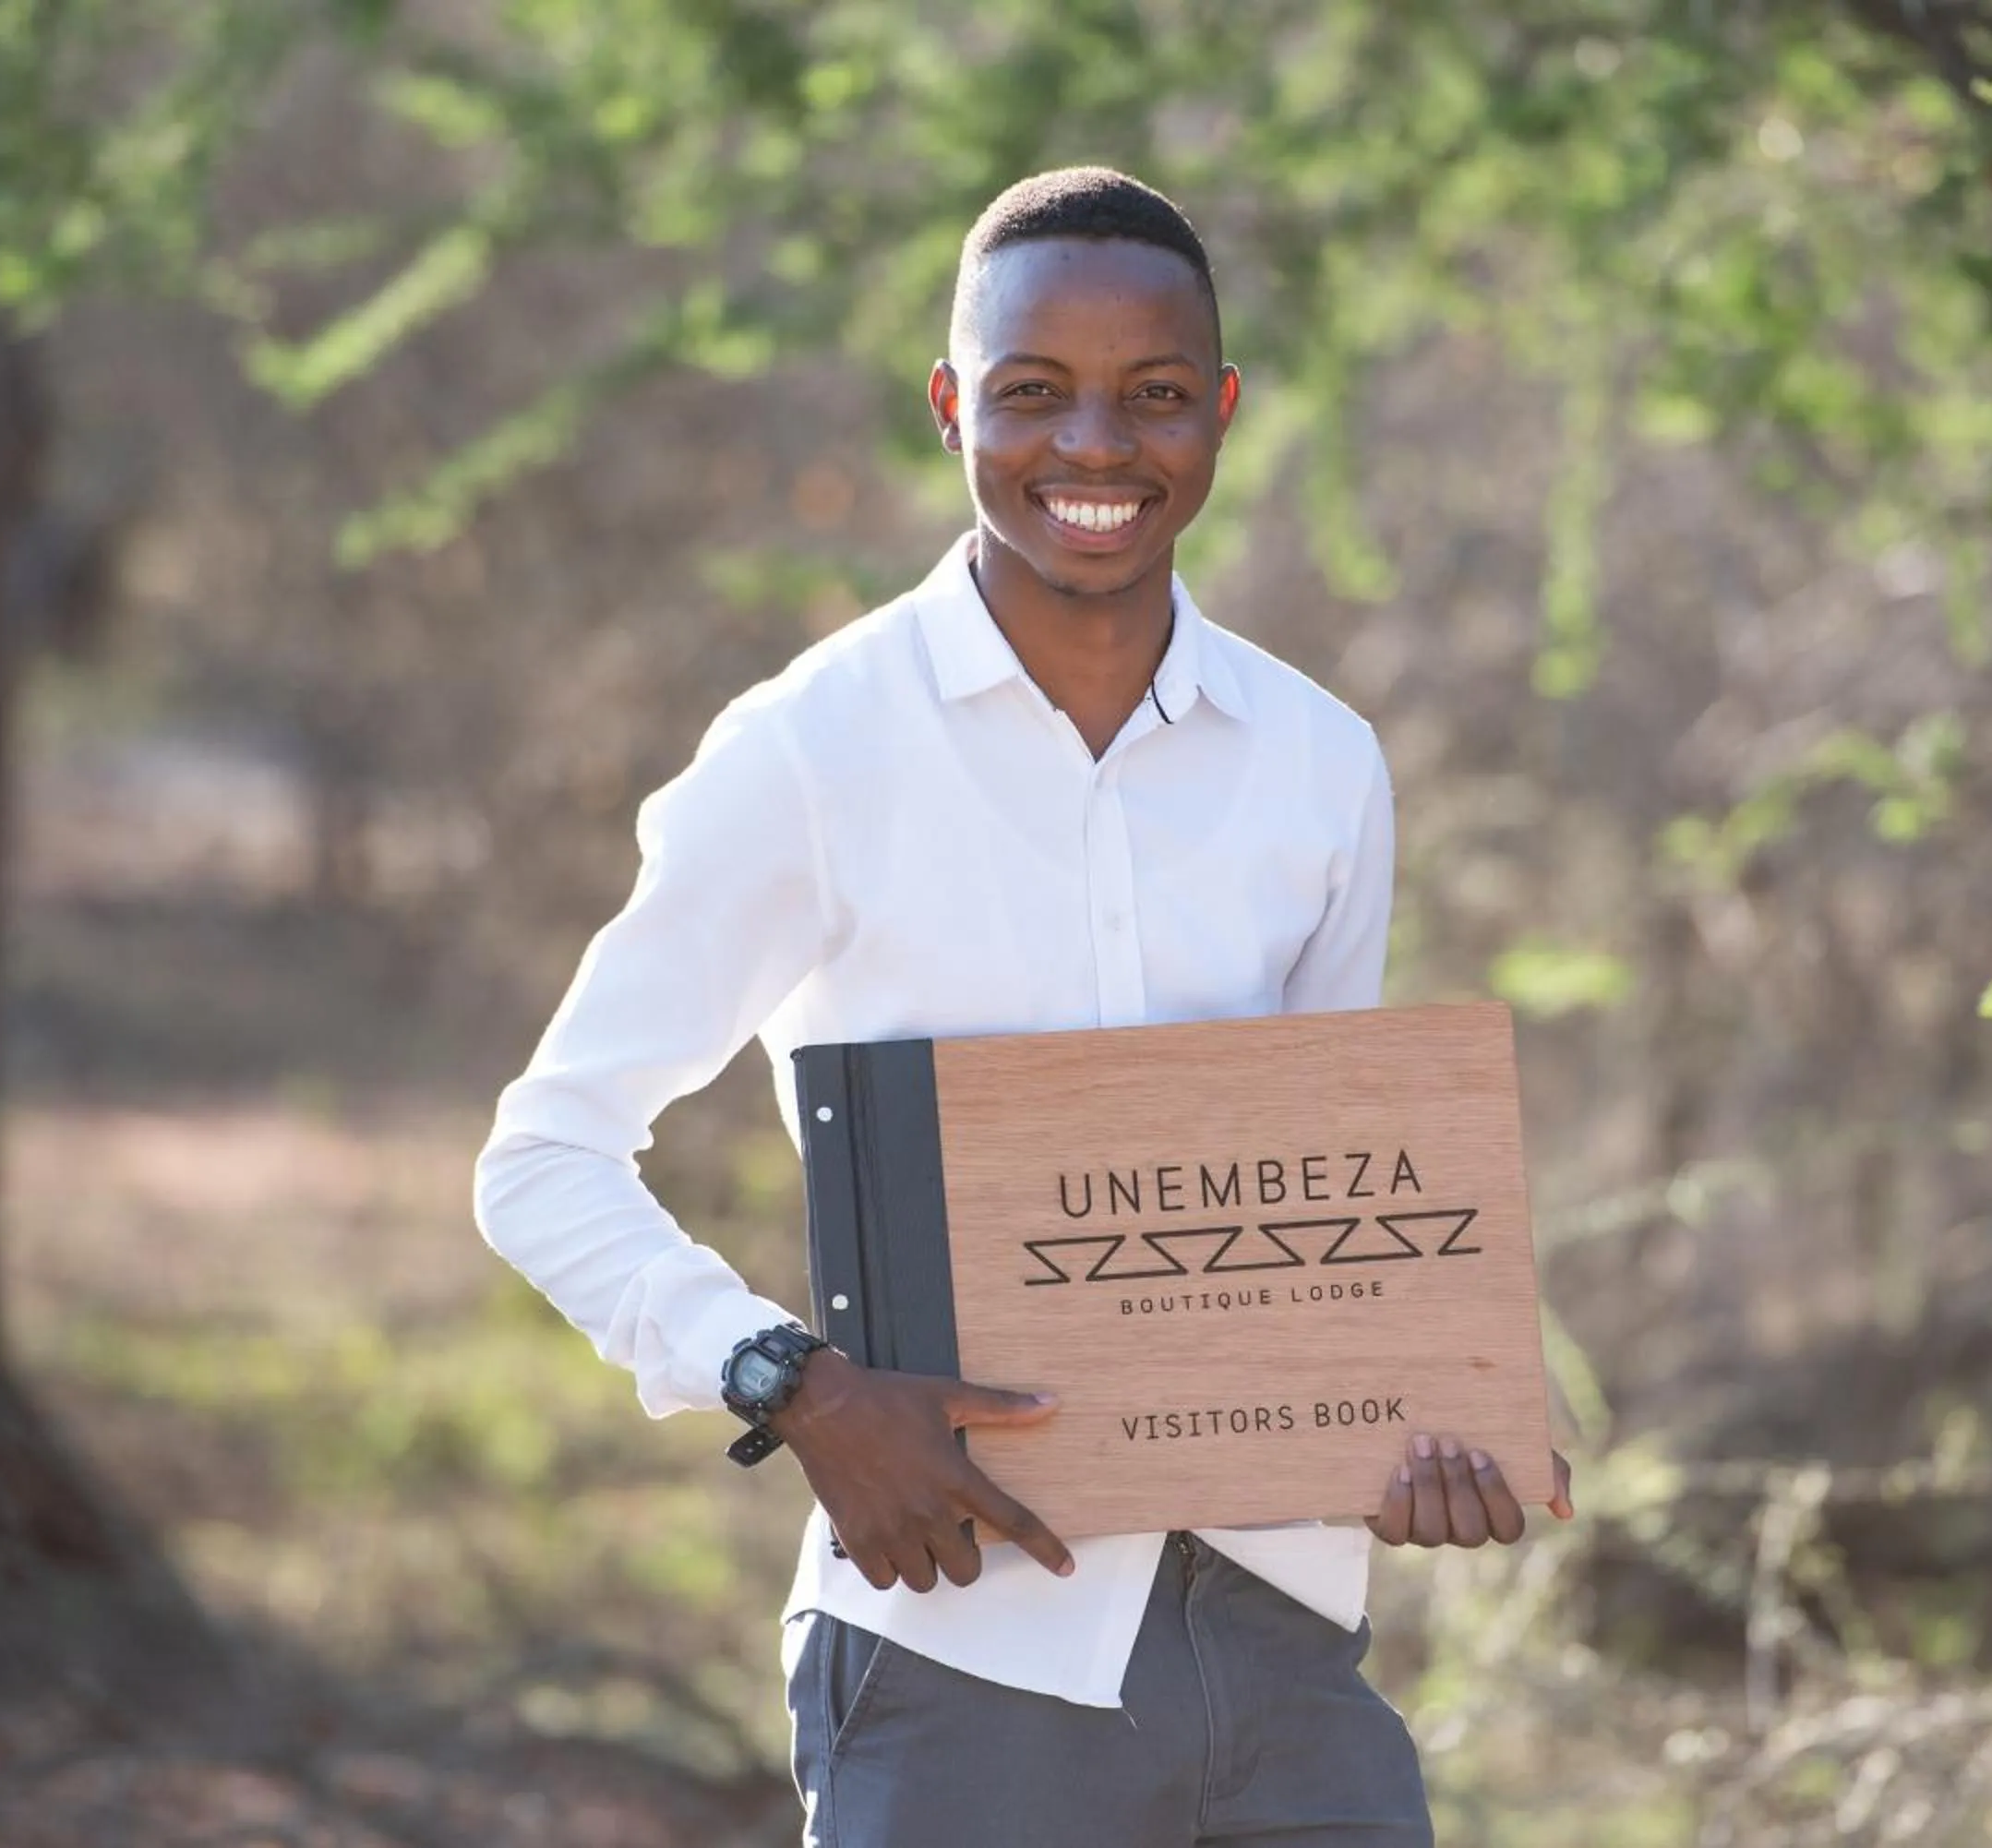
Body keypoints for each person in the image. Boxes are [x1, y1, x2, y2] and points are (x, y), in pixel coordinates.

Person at [474, 166, 1574, 1848]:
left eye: (1150, 396)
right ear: (948, 406)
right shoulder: (810, 750)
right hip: (959, 1661)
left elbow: (1337, 1228)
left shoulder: (1318, 762)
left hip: (1288, 1658)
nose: (1093, 450)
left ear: (1219, 413)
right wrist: (798, 1384)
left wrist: (1423, 1422)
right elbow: (541, 1156)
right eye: (1032, 393)